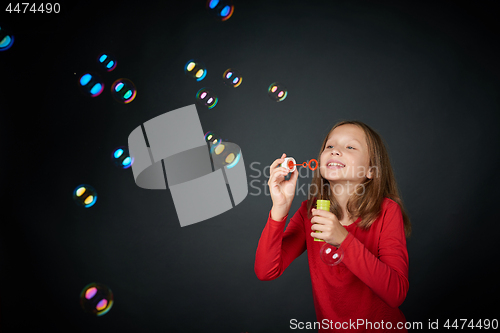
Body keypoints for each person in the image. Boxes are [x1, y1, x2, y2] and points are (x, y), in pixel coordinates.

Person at [255, 120, 411, 332]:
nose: (335, 151)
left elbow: (396, 294)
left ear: (371, 170)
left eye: (350, 147)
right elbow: (266, 271)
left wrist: (343, 240)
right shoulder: (309, 212)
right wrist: (279, 208)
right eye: (329, 146)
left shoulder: (386, 211)